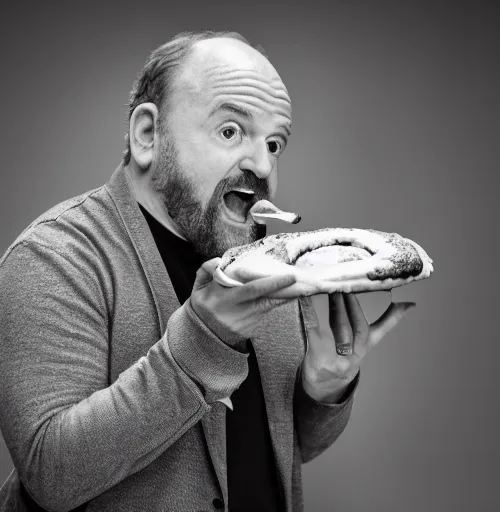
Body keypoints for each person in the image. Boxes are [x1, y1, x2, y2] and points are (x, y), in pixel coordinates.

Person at [0, 31, 415, 511]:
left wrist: (323, 390)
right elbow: (53, 476)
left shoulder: (269, 261)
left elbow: (280, 449)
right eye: (230, 131)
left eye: (275, 144)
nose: (262, 166)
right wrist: (205, 340)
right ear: (148, 135)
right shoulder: (55, 257)